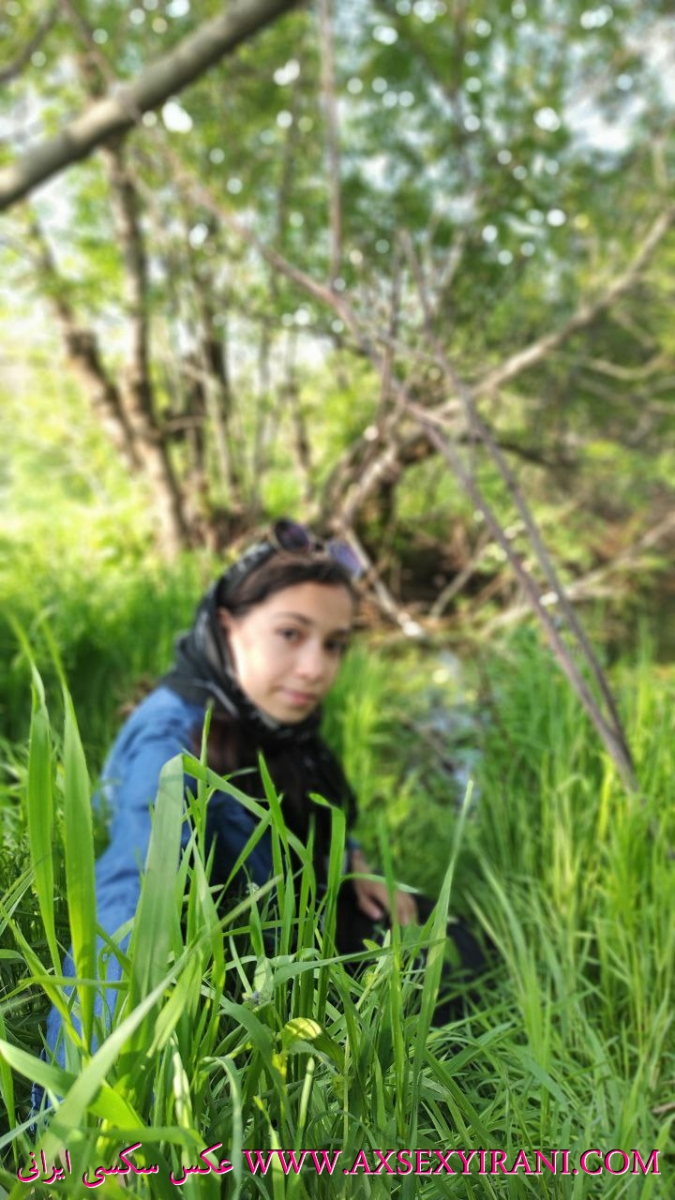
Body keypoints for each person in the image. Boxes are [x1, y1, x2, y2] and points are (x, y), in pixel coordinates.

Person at [38, 519, 484, 1092]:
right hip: (248, 983)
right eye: (291, 634)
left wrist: (354, 861)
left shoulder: (266, 713)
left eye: (334, 644)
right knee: (445, 972)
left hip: (298, 921)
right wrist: (77, 1109)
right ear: (228, 627)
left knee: (454, 942)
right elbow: (129, 904)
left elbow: (310, 809)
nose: (316, 668)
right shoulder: (169, 749)